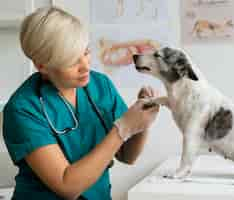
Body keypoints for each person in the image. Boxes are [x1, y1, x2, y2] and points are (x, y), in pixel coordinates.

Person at [2, 6, 160, 200]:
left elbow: (127, 156)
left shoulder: (100, 85)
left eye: (85, 52)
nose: (85, 66)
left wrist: (141, 120)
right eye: (71, 61)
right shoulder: (23, 109)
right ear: (42, 65)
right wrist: (123, 129)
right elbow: (66, 185)